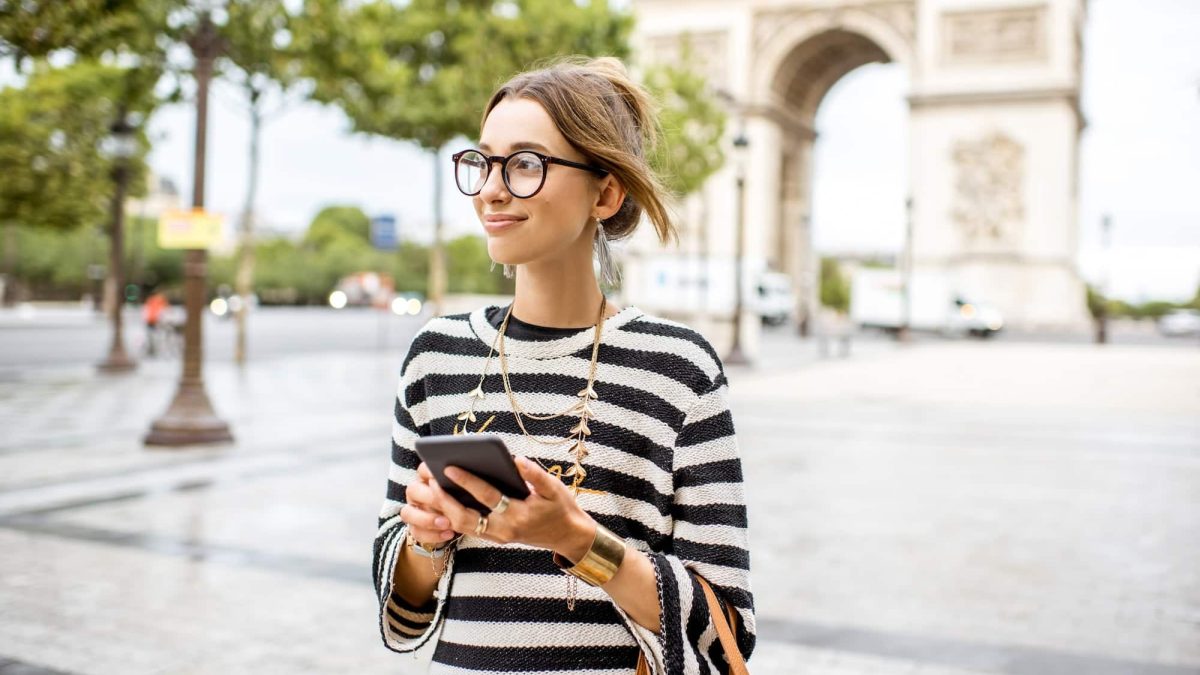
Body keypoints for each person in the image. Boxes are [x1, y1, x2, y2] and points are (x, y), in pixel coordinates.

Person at [373, 56, 754, 674]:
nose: (492, 189)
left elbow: (726, 632)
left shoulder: (680, 370)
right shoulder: (433, 356)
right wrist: (424, 537)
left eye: (526, 164)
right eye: (482, 162)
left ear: (605, 193)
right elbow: (402, 610)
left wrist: (577, 540)